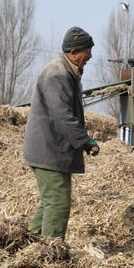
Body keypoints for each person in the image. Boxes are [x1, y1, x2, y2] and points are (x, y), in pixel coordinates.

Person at [23, 26, 100, 239]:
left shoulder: (67, 72)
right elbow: (62, 115)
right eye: (88, 50)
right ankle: (51, 254)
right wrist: (84, 141)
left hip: (51, 149)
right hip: (47, 150)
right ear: (74, 52)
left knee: (51, 201)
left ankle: (29, 243)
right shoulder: (56, 74)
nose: (91, 55)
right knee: (58, 202)